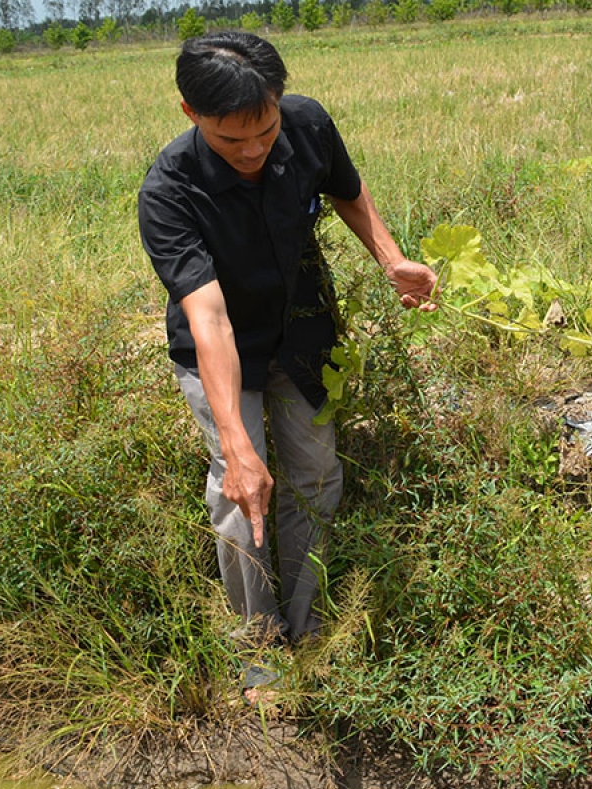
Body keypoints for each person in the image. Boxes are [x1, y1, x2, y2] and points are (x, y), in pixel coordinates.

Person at [138, 31, 435, 658]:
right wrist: (240, 448)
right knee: (238, 486)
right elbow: (209, 319)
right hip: (222, 350)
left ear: (278, 101)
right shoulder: (169, 191)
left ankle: (310, 633)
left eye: (264, 131)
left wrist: (391, 259)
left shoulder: (307, 122)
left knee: (316, 473)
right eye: (230, 138)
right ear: (191, 114)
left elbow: (346, 190)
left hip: (303, 330)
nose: (251, 149)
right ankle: (260, 650)